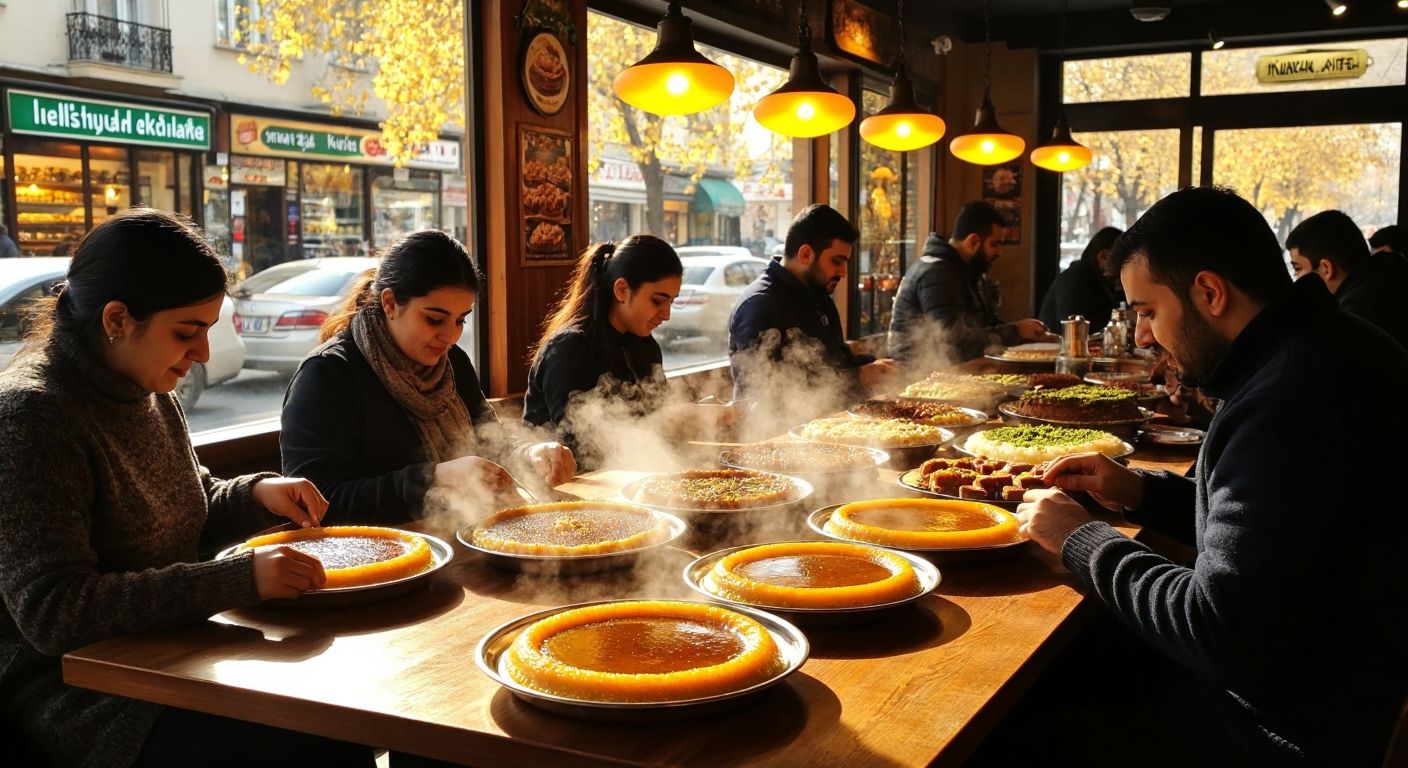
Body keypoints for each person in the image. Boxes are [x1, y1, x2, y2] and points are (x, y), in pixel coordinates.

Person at [1016, 187, 1408, 765]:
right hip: (1318, 674)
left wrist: (1080, 538)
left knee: (1012, 730)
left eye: (1148, 312)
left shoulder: (1290, 399)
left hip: (1289, 727)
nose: (1144, 336)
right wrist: (1138, 490)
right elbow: (1272, 529)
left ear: (1209, 292)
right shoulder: (1319, 347)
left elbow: (1218, 630)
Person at [0, 209, 374, 767]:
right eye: (187, 332)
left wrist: (255, 493)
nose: (201, 354)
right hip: (83, 694)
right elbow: (55, 611)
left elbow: (183, 498)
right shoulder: (32, 416)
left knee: (336, 713)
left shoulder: (148, 391)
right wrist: (236, 579)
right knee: (303, 736)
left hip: (174, 650)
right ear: (117, 319)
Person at [282, 230, 574, 523]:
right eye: (434, 319)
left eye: (460, 320)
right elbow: (314, 501)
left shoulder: (452, 362)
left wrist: (530, 454)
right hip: (380, 555)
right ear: (390, 304)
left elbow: (492, 442)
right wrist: (431, 479)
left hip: (462, 535)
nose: (449, 336)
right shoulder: (328, 374)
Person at [524, 235, 681, 467]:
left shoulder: (645, 345)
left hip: (630, 476)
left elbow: (657, 419)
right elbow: (583, 448)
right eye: (658, 301)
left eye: (672, 302)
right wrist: (671, 421)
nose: (667, 314)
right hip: (563, 489)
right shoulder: (570, 348)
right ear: (621, 290)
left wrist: (685, 420)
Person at [728, 204, 898, 412]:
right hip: (776, 437)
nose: (843, 272)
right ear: (806, 254)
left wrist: (874, 368)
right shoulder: (759, 304)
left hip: (830, 425)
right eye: (837, 262)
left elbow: (837, 362)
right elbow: (770, 393)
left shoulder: (819, 296)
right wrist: (859, 376)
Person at [888, 201, 1056, 362]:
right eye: (994, 244)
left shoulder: (971, 272)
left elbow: (990, 326)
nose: (999, 252)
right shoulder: (937, 272)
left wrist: (1028, 337)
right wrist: (1016, 331)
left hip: (953, 371)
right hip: (916, 376)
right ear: (973, 242)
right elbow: (954, 342)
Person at [1287, 209, 1408, 350]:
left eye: (1298, 269)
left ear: (1327, 268)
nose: (1296, 279)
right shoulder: (1392, 282)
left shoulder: (1353, 317)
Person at [1038, 227, 1125, 331]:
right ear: (1103, 256)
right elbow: (1075, 328)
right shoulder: (1075, 279)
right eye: (1121, 260)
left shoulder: (1098, 278)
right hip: (1059, 345)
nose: (1124, 266)